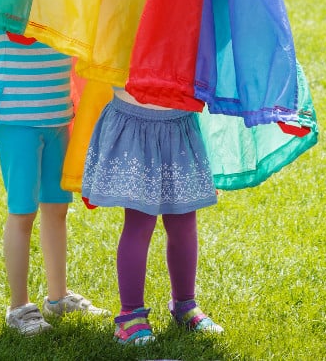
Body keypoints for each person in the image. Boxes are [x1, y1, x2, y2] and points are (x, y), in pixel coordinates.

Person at [0, 29, 109, 335]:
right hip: (17, 121)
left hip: (58, 117)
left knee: (56, 210)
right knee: (22, 213)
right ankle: (19, 308)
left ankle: (57, 298)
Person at [80, 88, 224, 345]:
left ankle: (185, 305)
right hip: (135, 120)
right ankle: (130, 317)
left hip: (179, 121)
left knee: (184, 223)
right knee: (139, 223)